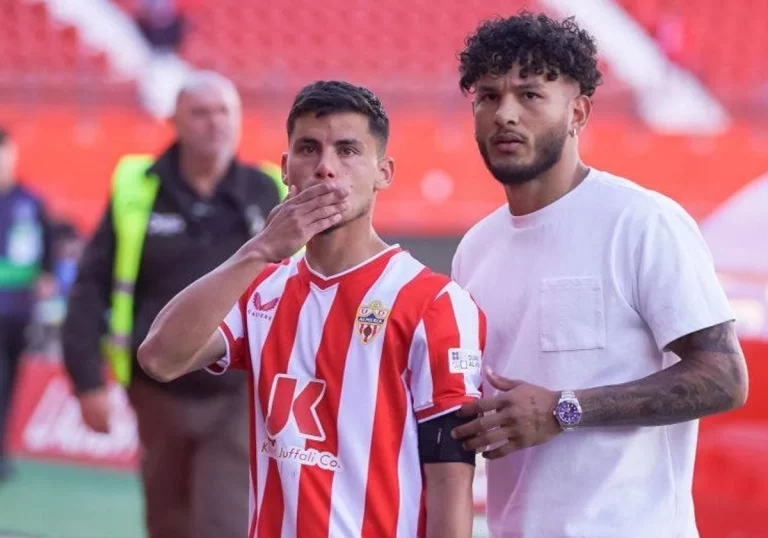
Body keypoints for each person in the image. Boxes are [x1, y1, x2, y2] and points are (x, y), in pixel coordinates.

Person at [138, 80, 484, 538]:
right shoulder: (260, 286)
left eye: (347, 150)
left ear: (383, 172)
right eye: (308, 149)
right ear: (286, 168)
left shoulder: (434, 302)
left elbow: (450, 482)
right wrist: (259, 250)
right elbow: (160, 359)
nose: (325, 167)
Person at [448, 12, 749, 538]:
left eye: (530, 95)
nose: (505, 114)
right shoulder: (474, 249)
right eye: (488, 97)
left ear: (578, 112)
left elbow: (724, 377)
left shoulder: (642, 222)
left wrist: (565, 409)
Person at [61, 72, 284, 538]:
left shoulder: (267, 191)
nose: (214, 123)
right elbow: (89, 287)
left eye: (224, 112)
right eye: (200, 113)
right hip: (156, 388)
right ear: (175, 121)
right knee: (168, 521)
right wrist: (87, 381)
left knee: (223, 520)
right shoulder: (137, 188)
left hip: (239, 391)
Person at [0, 127, 56, 481]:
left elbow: (47, 252)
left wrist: (46, 276)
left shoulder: (31, 202)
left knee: (10, 380)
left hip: (19, 310)